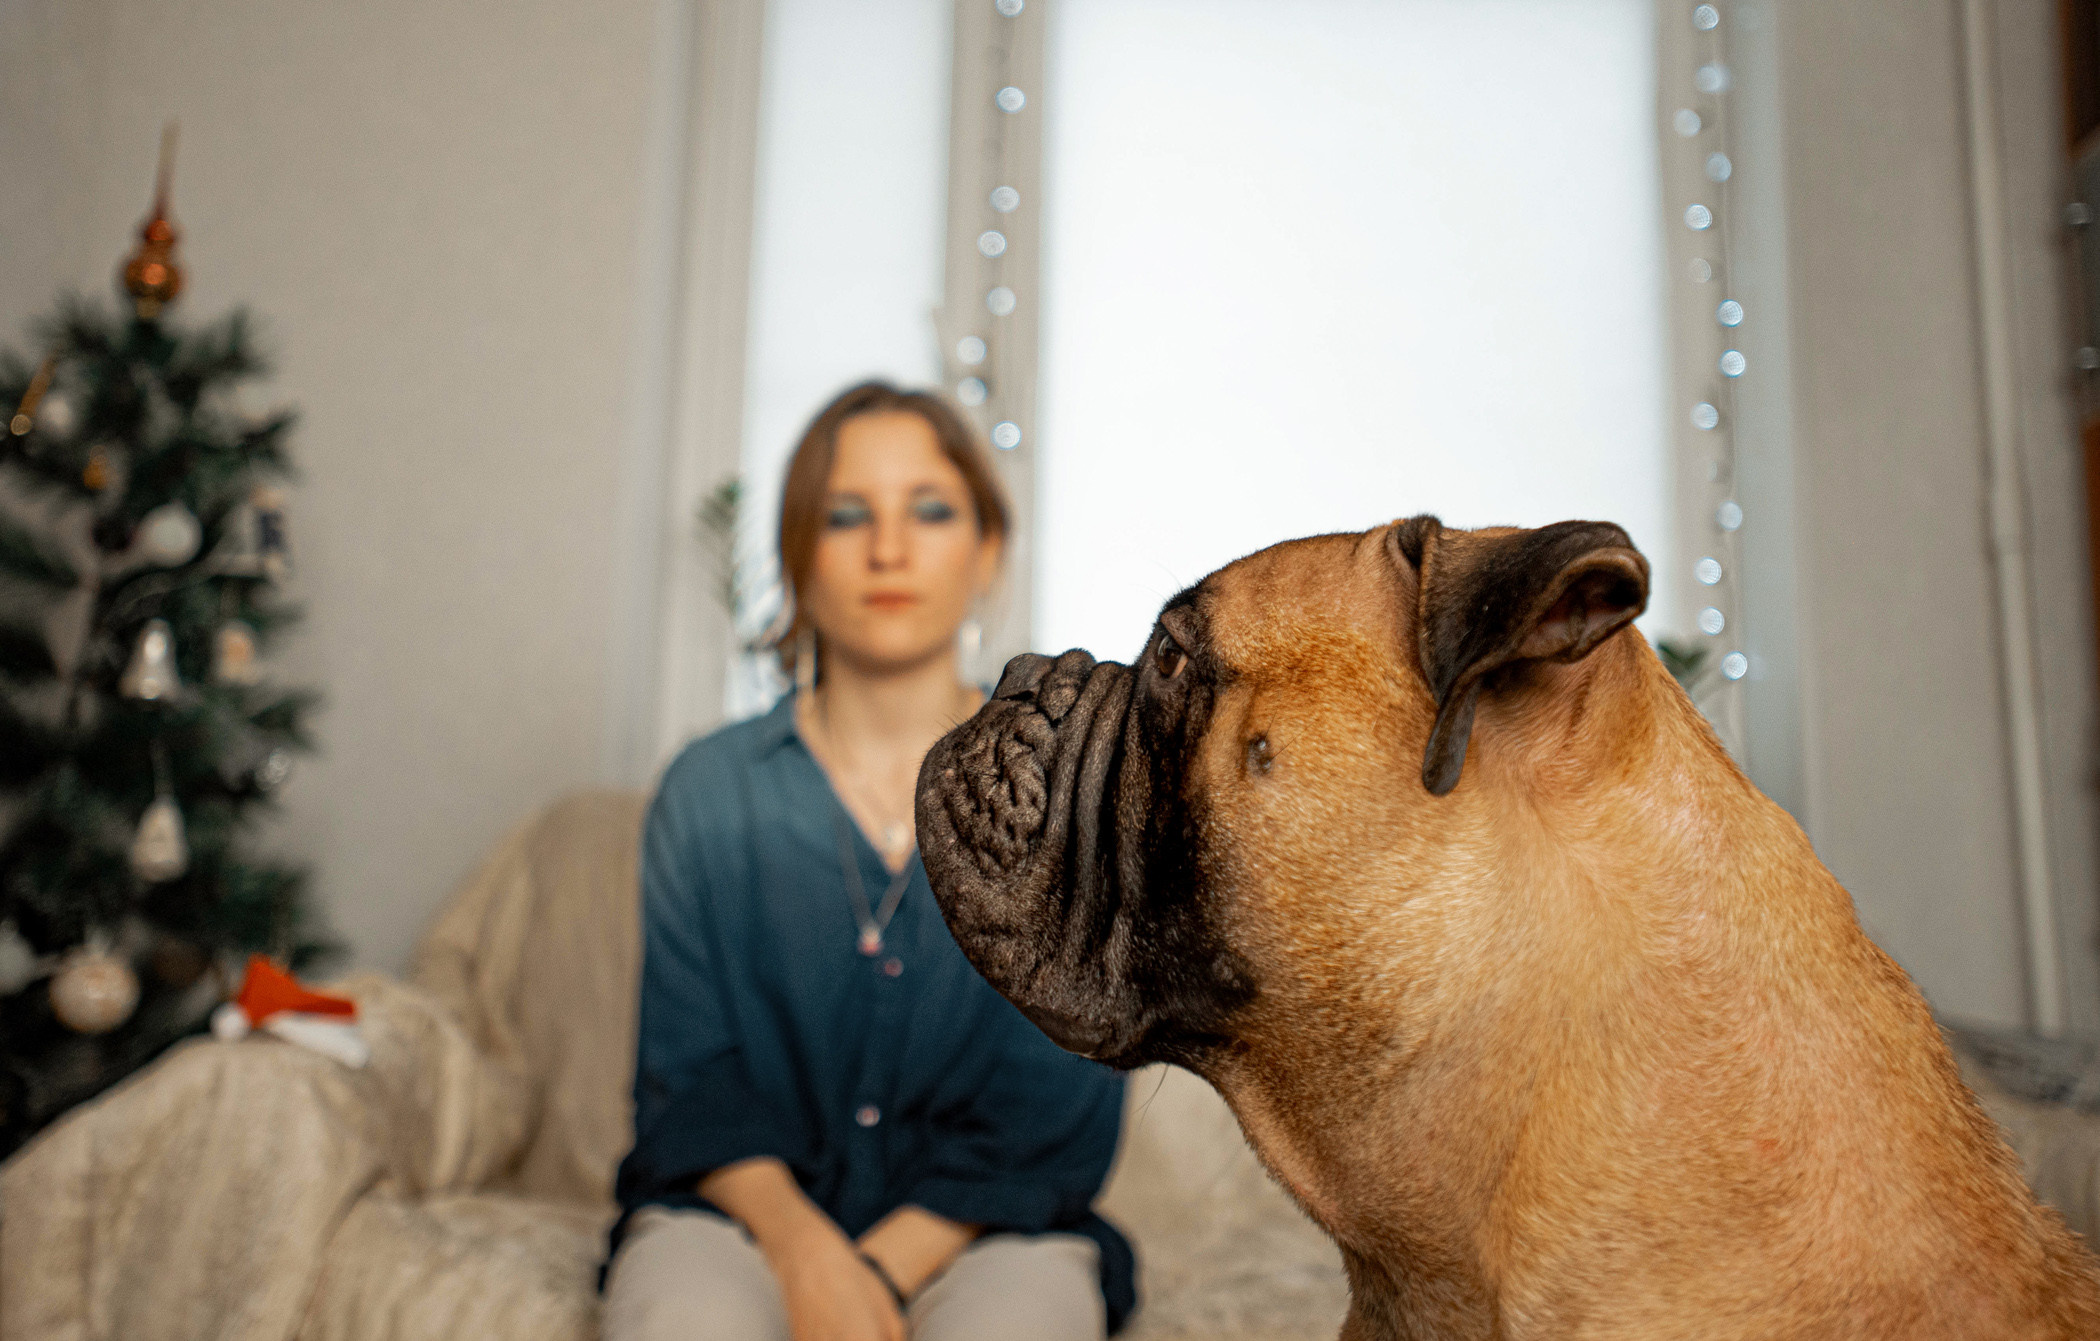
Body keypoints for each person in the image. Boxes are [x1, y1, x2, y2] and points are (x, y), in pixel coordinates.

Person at [602, 381, 1134, 1341]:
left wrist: (874, 1277)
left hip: (989, 1234)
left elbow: (1057, 1093)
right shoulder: (709, 794)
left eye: (929, 510)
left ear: (988, 549)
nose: (889, 547)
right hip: (734, 1224)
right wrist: (806, 1257)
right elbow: (693, 1080)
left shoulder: (1071, 800)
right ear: (800, 555)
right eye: (848, 515)